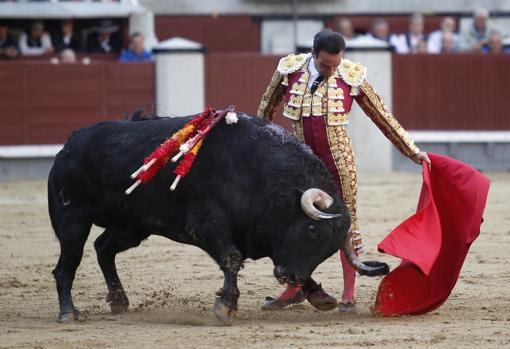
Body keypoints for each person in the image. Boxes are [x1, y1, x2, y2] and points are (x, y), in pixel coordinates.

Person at [257, 30, 430, 313]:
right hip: (300, 162)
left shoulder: (350, 75)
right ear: (313, 54)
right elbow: (264, 109)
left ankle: (348, 293)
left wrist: (412, 151)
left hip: (338, 160)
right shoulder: (289, 70)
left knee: (345, 221)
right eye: (326, 65)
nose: (332, 70)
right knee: (294, 224)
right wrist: (259, 149)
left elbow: (382, 116)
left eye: (336, 64)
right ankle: (294, 288)